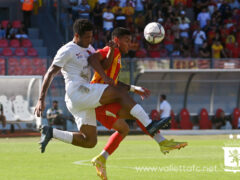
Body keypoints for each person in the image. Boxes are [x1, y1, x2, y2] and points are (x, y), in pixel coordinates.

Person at [35, 19, 167, 154]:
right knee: (119, 93)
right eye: (87, 37)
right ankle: (151, 126)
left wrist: (110, 51)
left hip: (82, 98)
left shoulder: (89, 48)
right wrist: (41, 99)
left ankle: (51, 132)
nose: (89, 40)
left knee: (89, 141)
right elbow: (50, 72)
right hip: (77, 91)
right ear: (76, 36)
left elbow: (104, 66)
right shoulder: (66, 50)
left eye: (91, 36)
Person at [89, 28, 187, 180]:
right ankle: (162, 142)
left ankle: (101, 159)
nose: (130, 44)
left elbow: (114, 81)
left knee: (124, 129)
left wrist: (134, 88)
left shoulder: (117, 55)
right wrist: (104, 76)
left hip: (105, 101)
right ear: (116, 40)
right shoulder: (110, 50)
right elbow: (93, 59)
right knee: (138, 115)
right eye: (127, 41)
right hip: (99, 102)